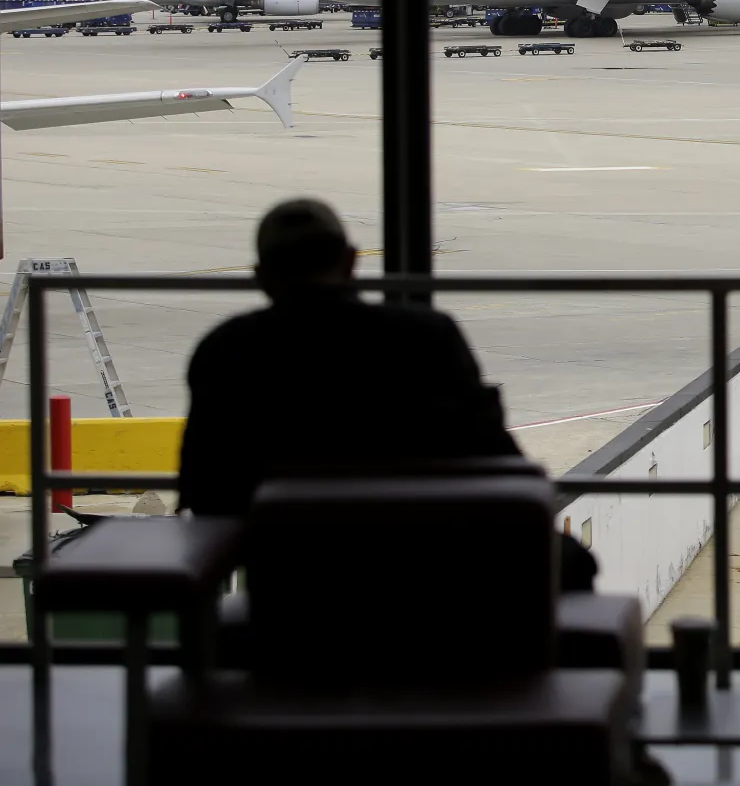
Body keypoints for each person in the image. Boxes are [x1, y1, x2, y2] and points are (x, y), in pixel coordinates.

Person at [178, 199, 596, 590]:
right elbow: (497, 461)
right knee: (574, 566)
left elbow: (209, 495)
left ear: (262, 277)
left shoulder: (224, 351)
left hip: (291, 598)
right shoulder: (428, 337)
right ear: (350, 262)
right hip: (424, 578)